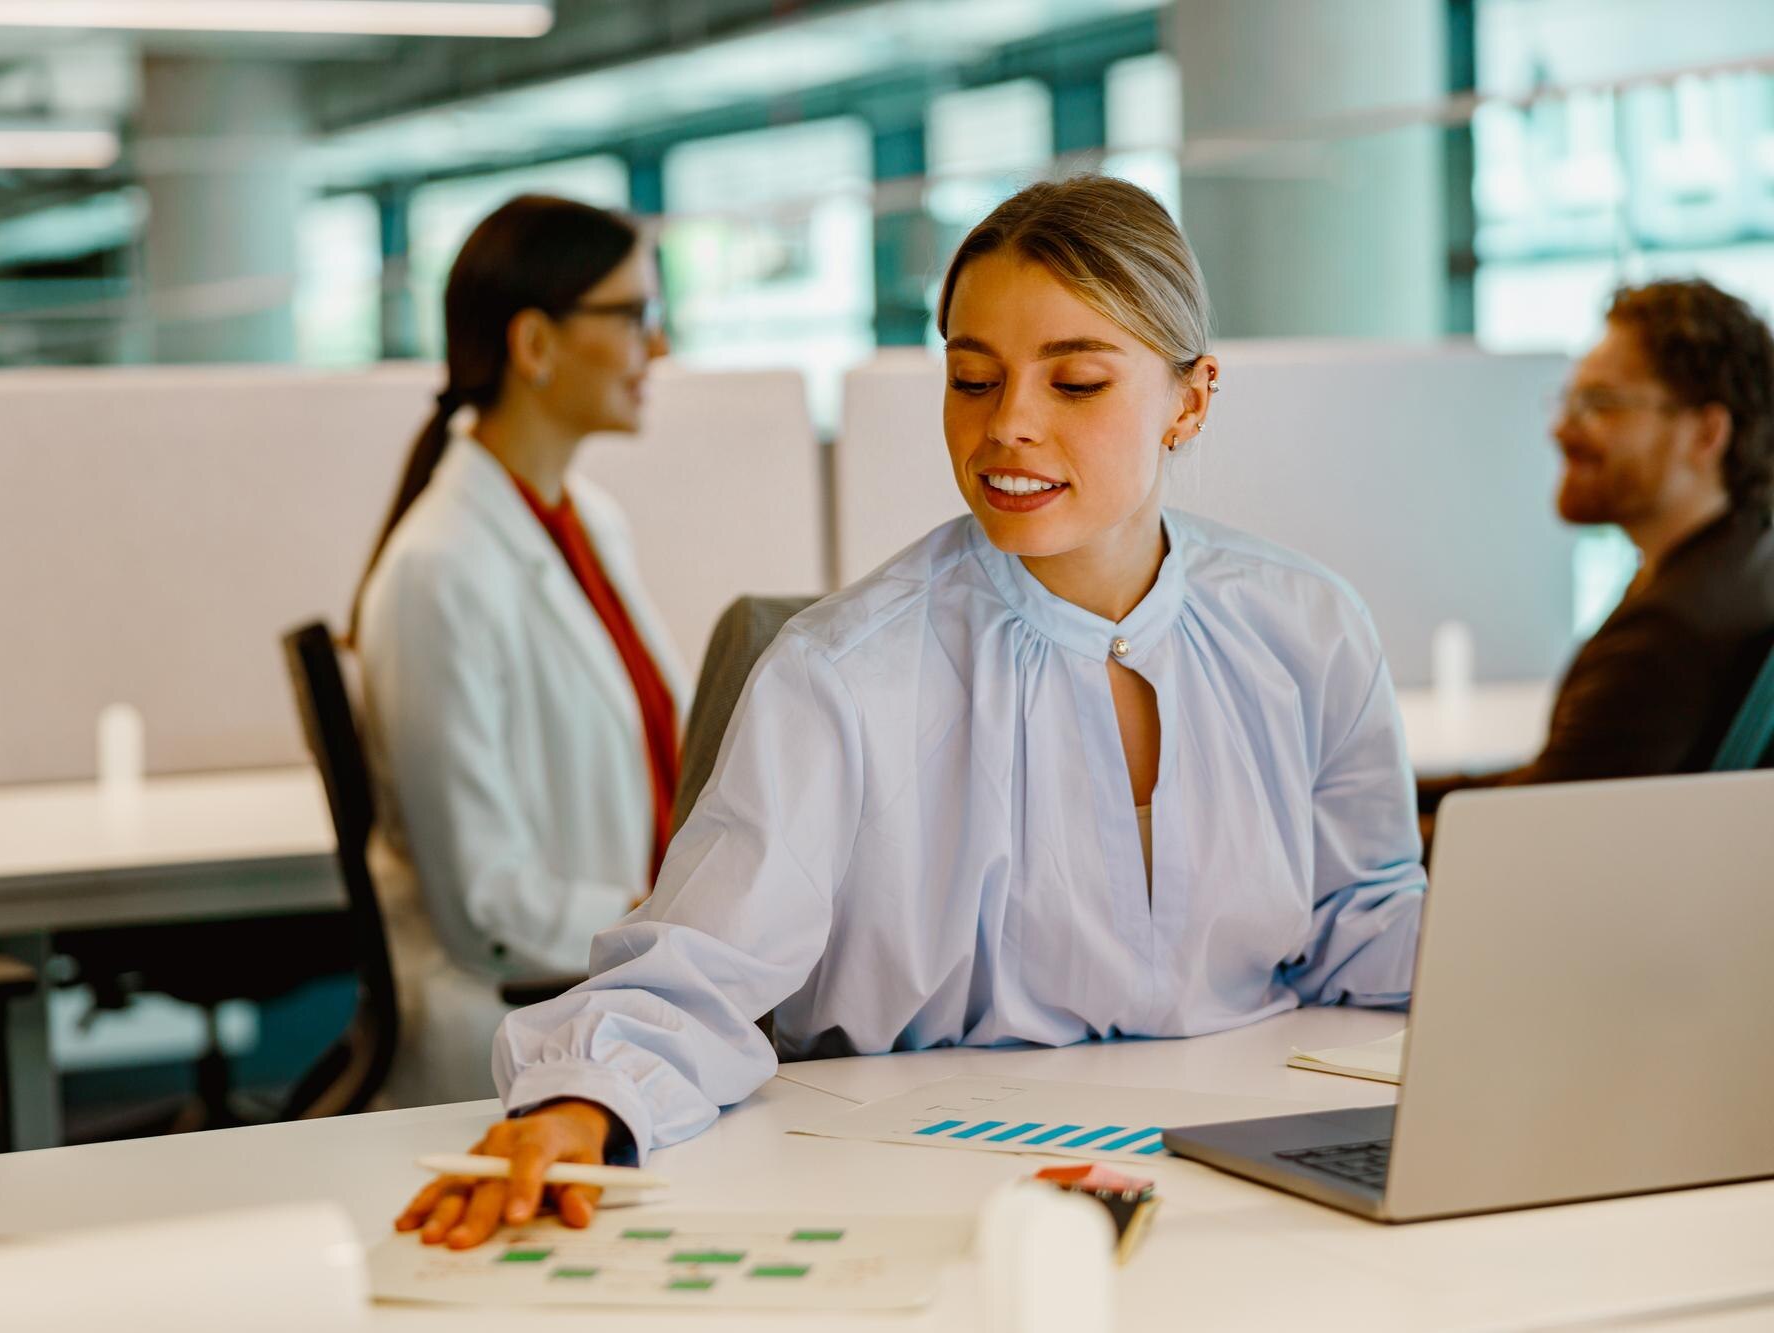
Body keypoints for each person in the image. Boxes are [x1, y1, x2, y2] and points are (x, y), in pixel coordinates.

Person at [396, 177, 1426, 1248]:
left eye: (1074, 382)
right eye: (972, 379)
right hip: (929, 1187)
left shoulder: (1308, 629)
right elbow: (699, 969)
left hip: (1245, 1167)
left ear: (1191, 399)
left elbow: (1361, 920)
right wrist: (581, 1103)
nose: (1008, 424)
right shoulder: (840, 675)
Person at [353, 195, 686, 1105]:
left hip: (619, 1000)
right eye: (634, 316)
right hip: (517, 1035)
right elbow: (486, 905)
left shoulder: (587, 524)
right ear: (535, 344)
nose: (658, 348)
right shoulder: (439, 569)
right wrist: (673, 929)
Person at [1419, 279, 1774, 826]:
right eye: (1570, 400)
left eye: (1600, 403)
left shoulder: (1667, 632)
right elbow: (1554, 784)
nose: (1561, 429)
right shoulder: (1737, 563)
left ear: (1706, 434)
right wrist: (1388, 795)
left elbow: (1529, 830)